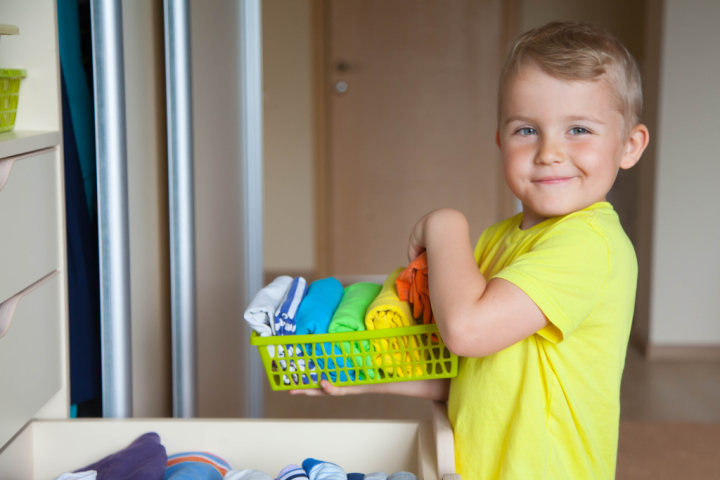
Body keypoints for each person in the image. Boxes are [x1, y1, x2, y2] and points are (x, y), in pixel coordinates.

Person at [293, 21, 649, 479]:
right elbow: (466, 372)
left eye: (578, 128)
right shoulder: (500, 239)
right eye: (527, 131)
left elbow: (465, 331)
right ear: (501, 140)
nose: (550, 152)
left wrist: (445, 225)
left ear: (629, 145)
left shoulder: (588, 244)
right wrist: (360, 375)